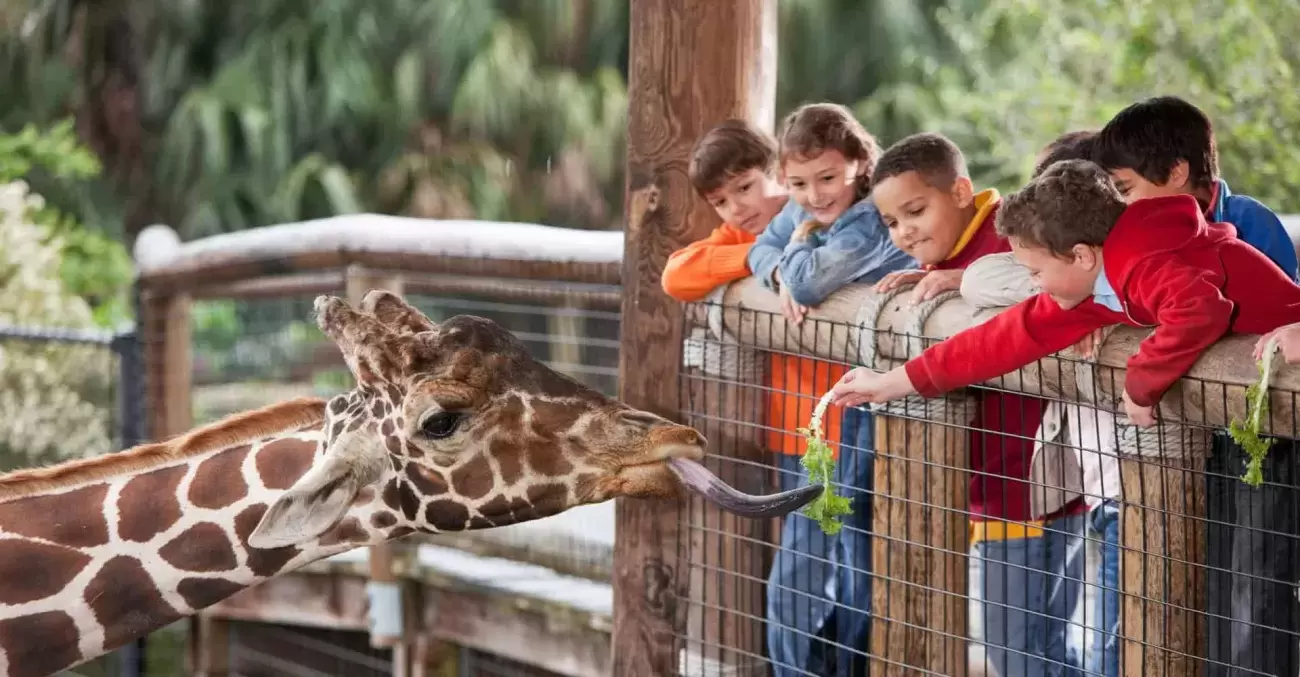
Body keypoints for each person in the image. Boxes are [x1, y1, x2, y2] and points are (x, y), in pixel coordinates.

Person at [828, 158, 1300, 428]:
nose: (1033, 284)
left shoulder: (1141, 261)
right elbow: (994, 342)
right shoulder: (1091, 287)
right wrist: (889, 383)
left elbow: (1200, 310)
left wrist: (1140, 386)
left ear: (1081, 256)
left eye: (1035, 271)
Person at [1094, 95, 1300, 676]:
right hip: (1213, 430)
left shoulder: (1243, 223)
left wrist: (1144, 378)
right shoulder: (1156, 230)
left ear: (1177, 172)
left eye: (1125, 188)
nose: (1120, 204)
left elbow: (1213, 311)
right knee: (1217, 572)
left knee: (1258, 578)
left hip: (1267, 424)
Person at [869, 132, 1087, 677]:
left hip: (1026, 485)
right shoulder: (950, 254)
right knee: (1031, 648)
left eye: (916, 211)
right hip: (998, 484)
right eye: (891, 222)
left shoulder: (1011, 240)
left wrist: (963, 279)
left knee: (1017, 652)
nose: (904, 232)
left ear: (962, 191)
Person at [749, 102, 916, 677]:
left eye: (827, 178)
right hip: (833, 405)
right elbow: (759, 252)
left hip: (877, 400)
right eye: (797, 183)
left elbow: (809, 281)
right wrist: (780, 270)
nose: (814, 195)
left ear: (859, 164)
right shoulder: (807, 209)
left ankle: (840, 664)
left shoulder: (869, 218)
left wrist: (795, 251)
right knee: (828, 540)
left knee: (853, 542)